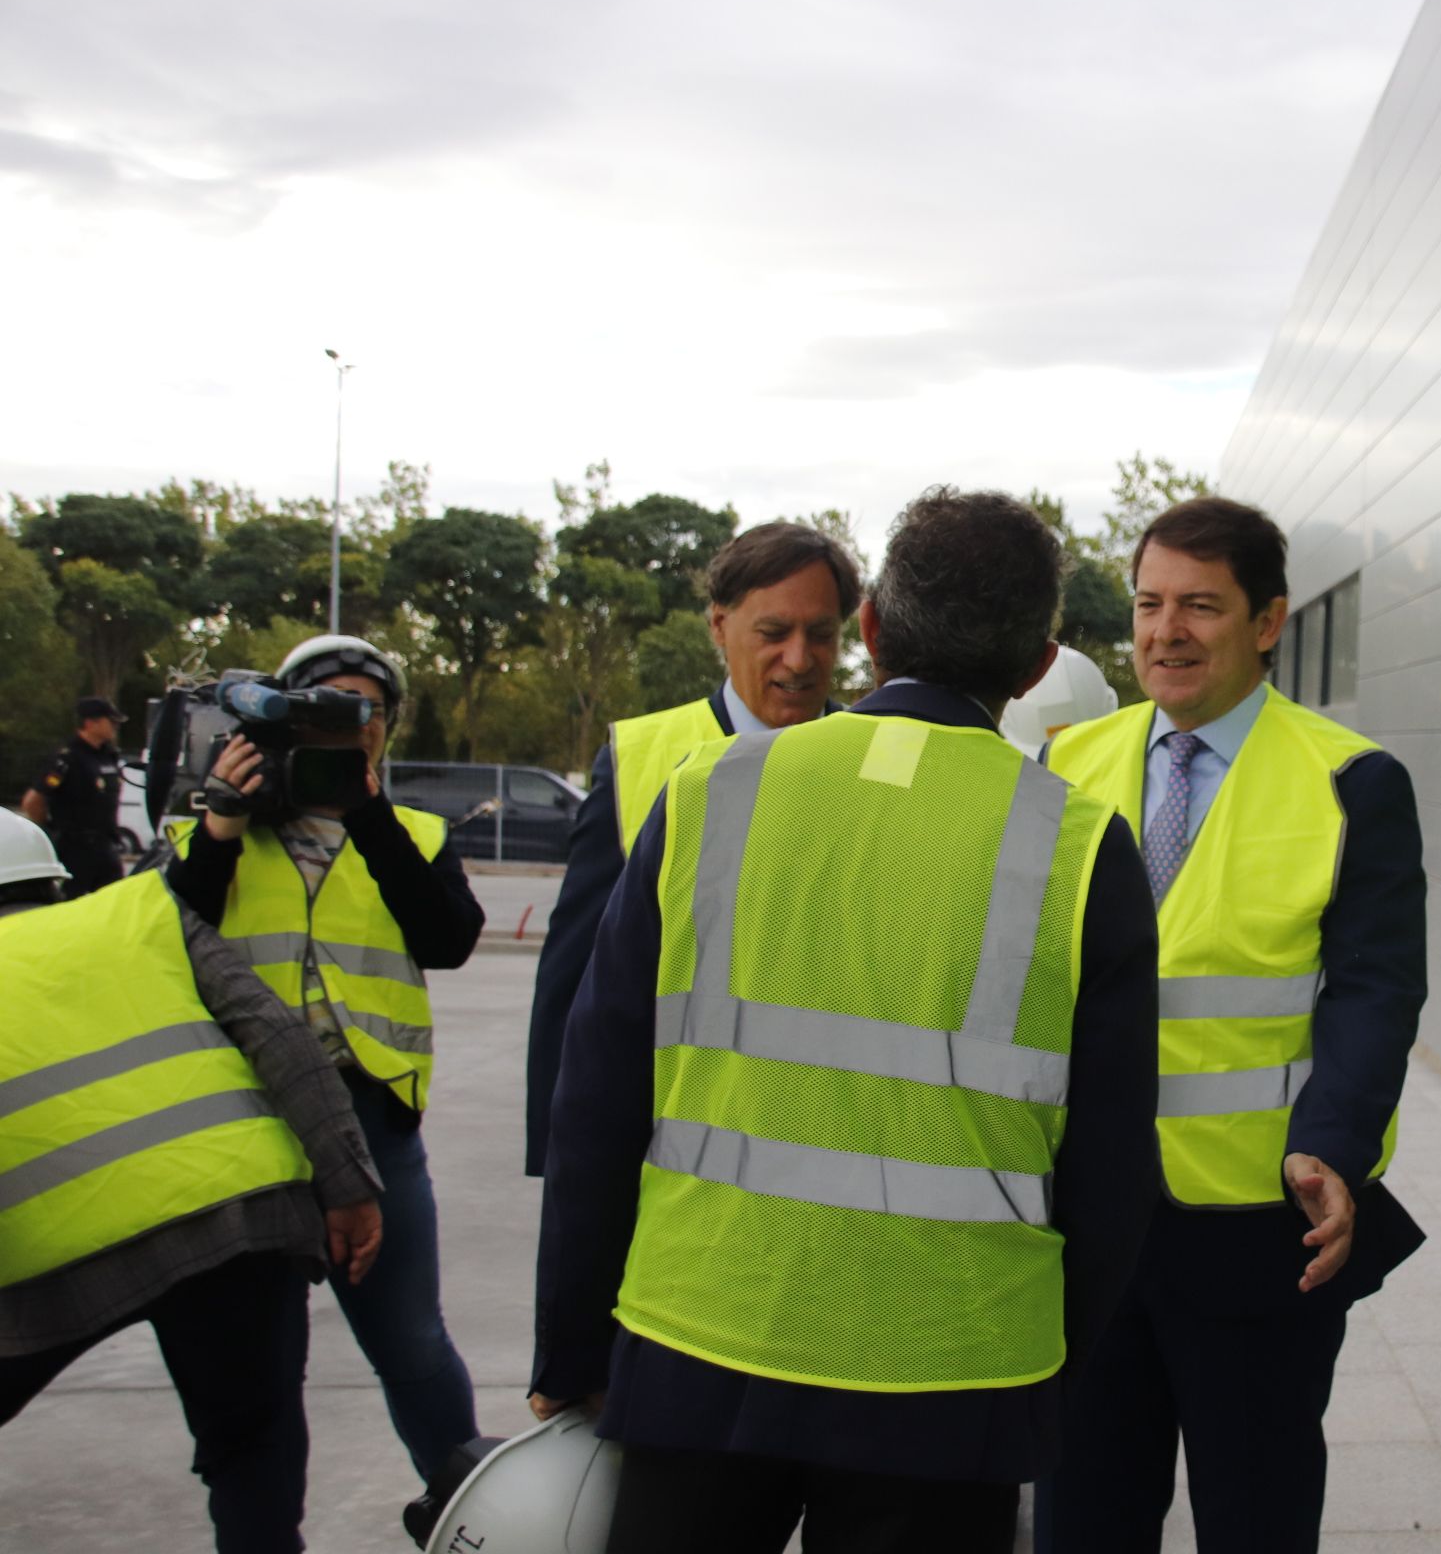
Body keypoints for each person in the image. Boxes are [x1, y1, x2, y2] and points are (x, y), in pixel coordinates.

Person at [532, 488, 1160, 1554]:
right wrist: (1044, 1362)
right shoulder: (1081, 847)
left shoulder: (707, 794)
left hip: (702, 1340)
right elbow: (1109, 1169)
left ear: (867, 629)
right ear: (1037, 661)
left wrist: (570, 1350)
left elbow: (595, 1096)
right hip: (953, 1370)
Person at [1038, 497, 1427, 1554]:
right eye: (1150, 603)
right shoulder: (1065, 768)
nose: (1166, 630)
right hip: (1085, 1220)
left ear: (1268, 621)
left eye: (1201, 606)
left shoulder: (1353, 780)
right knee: (1082, 1515)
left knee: (1255, 1516)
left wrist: (1336, 1149)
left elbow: (1375, 991)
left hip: (1263, 1226)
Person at [161, 634, 486, 1528]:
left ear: (387, 729)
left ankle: (476, 1516)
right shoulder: (216, 822)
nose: (354, 728)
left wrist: (369, 816)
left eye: (368, 712)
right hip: (247, 1132)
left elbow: (449, 938)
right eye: (329, 709)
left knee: (413, 1345)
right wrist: (223, 822)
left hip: (374, 1125)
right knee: (262, 1372)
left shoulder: (415, 833)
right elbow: (170, 929)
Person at [0, 810, 385, 1553]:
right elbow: (278, 1037)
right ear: (56, 882)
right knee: (249, 1448)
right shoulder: (141, 908)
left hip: (50, 1255)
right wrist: (349, 1186)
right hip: (235, 1220)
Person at [523, 520, 861, 1176]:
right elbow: (572, 982)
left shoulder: (876, 762)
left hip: (830, 1151)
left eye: (820, 634)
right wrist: (560, 1152)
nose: (799, 658)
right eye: (773, 633)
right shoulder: (638, 761)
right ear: (718, 625)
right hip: (673, 1157)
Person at [19, 695, 129, 899]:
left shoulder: (108, 755)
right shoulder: (68, 758)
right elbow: (33, 801)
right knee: (68, 904)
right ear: (91, 723)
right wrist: (51, 830)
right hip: (75, 848)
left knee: (115, 903)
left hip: (106, 845)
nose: (115, 726)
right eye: (110, 721)